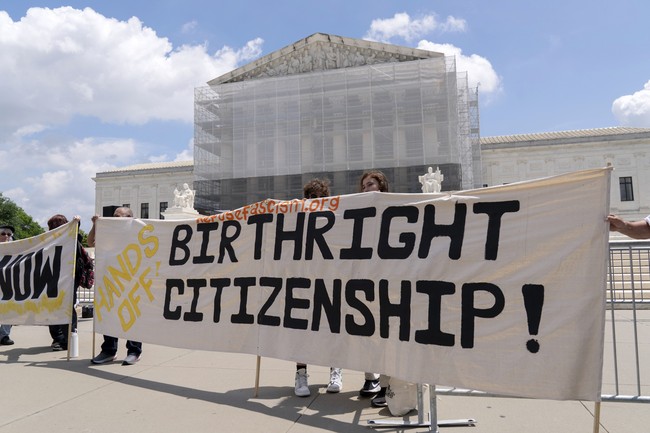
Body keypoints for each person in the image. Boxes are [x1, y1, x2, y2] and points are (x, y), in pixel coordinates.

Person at [294, 178, 343, 397]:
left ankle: (335, 369)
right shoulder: (296, 217)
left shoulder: (336, 219)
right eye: (311, 197)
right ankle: (301, 374)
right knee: (300, 330)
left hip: (329, 281)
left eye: (320, 197)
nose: (315, 200)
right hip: (303, 281)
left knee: (331, 329)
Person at [88, 207, 143, 365]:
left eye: (119, 216)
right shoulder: (108, 232)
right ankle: (109, 350)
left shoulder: (136, 232)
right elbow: (90, 242)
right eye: (114, 216)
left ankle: (134, 351)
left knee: (131, 315)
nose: (114, 218)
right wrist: (95, 225)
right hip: (110, 281)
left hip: (131, 281)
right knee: (108, 315)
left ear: (129, 218)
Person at [357, 170, 390, 407]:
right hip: (364, 280)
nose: (366, 188)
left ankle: (388, 385)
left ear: (381, 186)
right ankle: (371, 378)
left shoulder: (392, 208)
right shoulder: (358, 212)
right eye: (364, 186)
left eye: (371, 184)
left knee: (387, 335)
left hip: (387, 281)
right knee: (364, 331)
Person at [46, 214, 89, 351]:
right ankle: (60, 338)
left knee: (65, 308)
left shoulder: (72, 239)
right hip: (54, 278)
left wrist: (76, 223)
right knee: (54, 308)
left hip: (68, 278)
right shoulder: (48, 240)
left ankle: (67, 338)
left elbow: (74, 235)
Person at [0, 224, 15, 345]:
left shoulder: (16, 249)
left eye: (9, 234)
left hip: (9, 285)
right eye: (3, 233)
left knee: (10, 310)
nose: (6, 236)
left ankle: (4, 335)